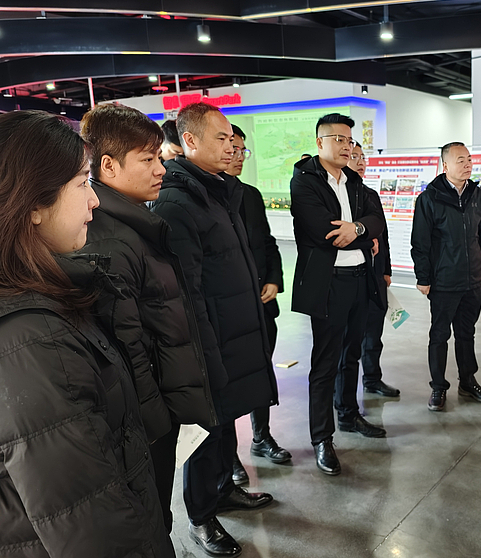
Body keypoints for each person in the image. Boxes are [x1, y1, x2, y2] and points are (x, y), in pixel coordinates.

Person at [0, 110, 174, 557]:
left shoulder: (42, 302)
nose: (94, 201)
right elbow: (91, 527)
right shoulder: (35, 340)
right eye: (82, 183)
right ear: (33, 202)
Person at [79, 104, 217, 533]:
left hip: (158, 406)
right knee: (153, 518)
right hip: (146, 420)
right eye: (148, 159)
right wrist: (157, 422)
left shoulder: (135, 225)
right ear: (108, 166)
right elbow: (126, 349)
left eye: (159, 156)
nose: (161, 168)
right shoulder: (111, 241)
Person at [152, 103, 278, 557]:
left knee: (228, 425)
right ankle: (201, 516)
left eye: (233, 140)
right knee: (207, 433)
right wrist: (205, 357)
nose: (231, 147)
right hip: (211, 345)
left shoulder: (219, 191)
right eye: (221, 139)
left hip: (236, 334)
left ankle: (225, 489)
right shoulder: (178, 201)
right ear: (189, 141)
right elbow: (189, 293)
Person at [290, 113, 387, 476]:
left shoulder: (355, 181)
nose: (347, 147)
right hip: (329, 284)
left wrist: (358, 229)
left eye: (350, 141)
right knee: (325, 362)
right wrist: (364, 236)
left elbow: (377, 220)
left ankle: (348, 414)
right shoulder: (305, 180)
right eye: (340, 140)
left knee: (352, 354)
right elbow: (324, 232)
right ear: (320, 143)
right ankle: (322, 438)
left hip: (360, 279)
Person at [224, 124, 291, 486]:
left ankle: (261, 437)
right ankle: (229, 455)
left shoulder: (249, 195)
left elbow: (268, 243)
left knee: (262, 371)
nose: (237, 156)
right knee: (231, 382)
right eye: (231, 148)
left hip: (262, 306)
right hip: (230, 312)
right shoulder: (205, 198)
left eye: (242, 150)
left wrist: (274, 280)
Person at [411, 142, 481, 412]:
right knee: (439, 334)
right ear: (445, 165)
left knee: (466, 333)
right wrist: (423, 277)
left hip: (472, 279)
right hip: (443, 280)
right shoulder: (429, 198)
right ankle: (438, 386)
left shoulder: (477, 195)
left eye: (469, 159)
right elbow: (420, 242)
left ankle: (468, 381)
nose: (467, 164)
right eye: (461, 160)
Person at [347, 142, 400, 397]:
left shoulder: (371, 195)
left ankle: (372, 378)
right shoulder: (338, 196)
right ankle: (342, 390)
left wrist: (386, 270)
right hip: (351, 276)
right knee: (348, 339)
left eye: (363, 157)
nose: (360, 162)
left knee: (374, 332)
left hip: (375, 275)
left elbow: (383, 236)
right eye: (354, 157)